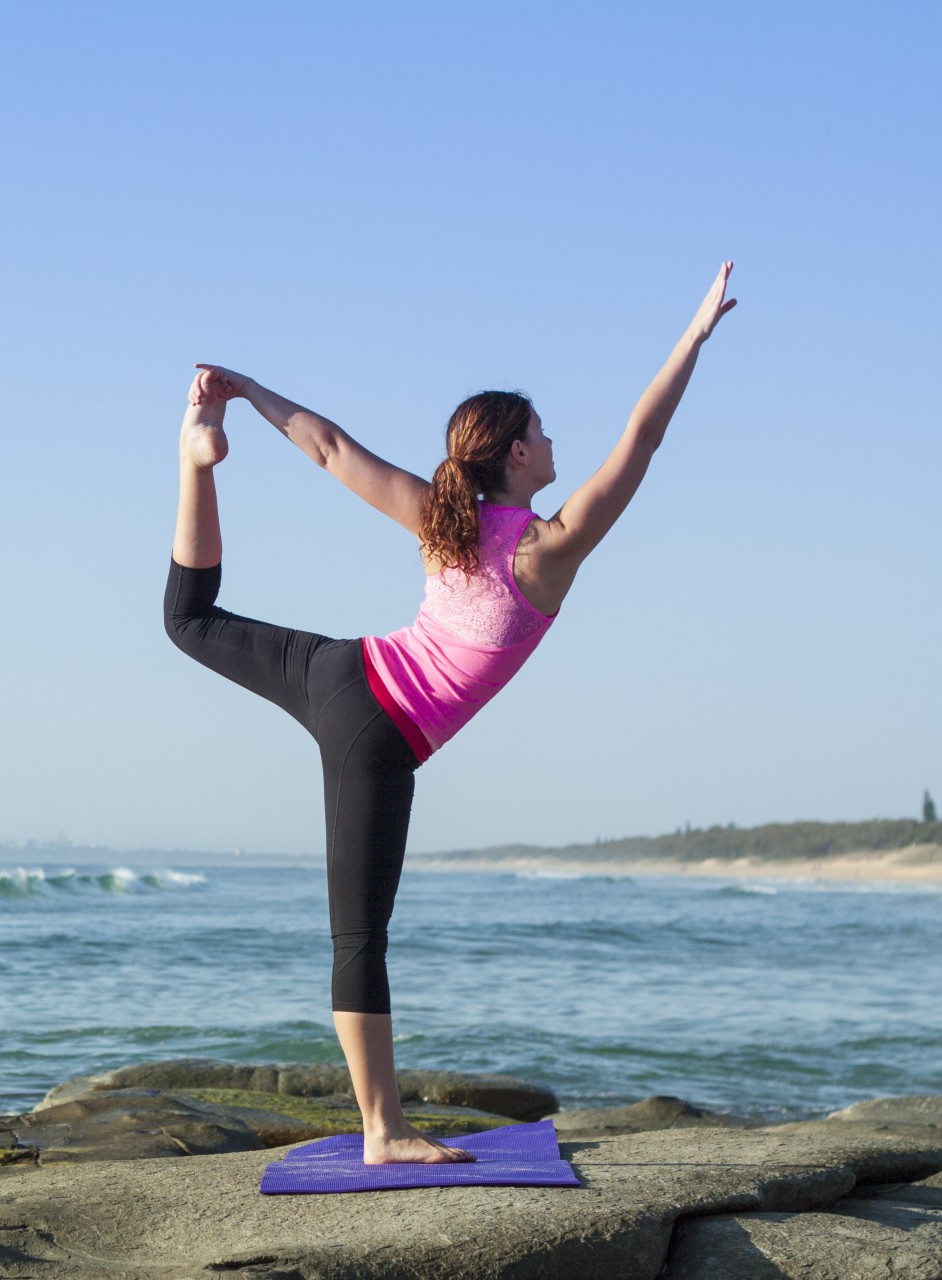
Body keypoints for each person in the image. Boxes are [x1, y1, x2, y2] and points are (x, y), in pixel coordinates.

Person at [165, 262, 737, 1164]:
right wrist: (692, 338)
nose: (555, 444)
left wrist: (243, 392)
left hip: (339, 671)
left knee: (187, 620)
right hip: (377, 733)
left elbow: (331, 450)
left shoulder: (445, 519)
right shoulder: (547, 549)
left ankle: (193, 462)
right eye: (543, 435)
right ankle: (382, 1132)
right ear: (516, 453)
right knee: (359, 936)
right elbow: (644, 437)